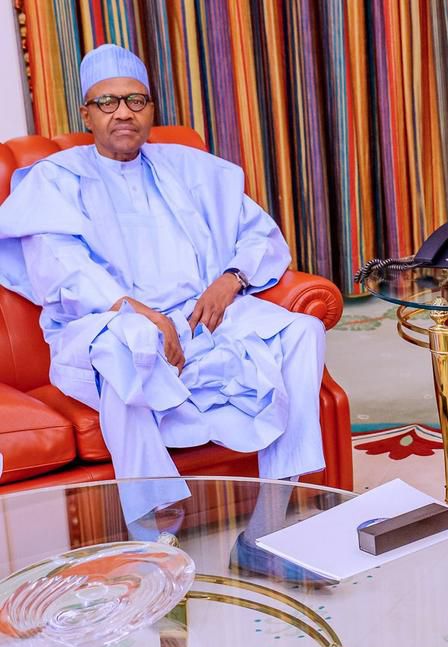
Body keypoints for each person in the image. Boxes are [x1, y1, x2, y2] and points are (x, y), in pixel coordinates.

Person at [0, 45, 328, 580]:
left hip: (200, 315)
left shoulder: (192, 169)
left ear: (151, 108)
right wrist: (137, 311)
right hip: (103, 322)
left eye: (135, 100)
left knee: (302, 332)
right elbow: (59, 267)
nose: (123, 112)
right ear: (86, 115)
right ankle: (153, 539)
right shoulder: (55, 179)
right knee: (126, 345)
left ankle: (266, 532)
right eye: (107, 103)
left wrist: (232, 278)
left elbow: (257, 235)